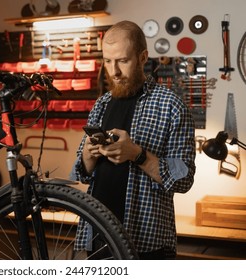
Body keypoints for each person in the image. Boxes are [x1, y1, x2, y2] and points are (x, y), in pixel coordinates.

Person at [73, 20, 196, 259]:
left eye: (122, 60)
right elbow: (81, 173)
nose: (114, 71)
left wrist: (137, 155)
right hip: (97, 236)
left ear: (142, 58)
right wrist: (87, 156)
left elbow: (184, 180)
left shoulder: (171, 106)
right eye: (107, 61)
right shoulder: (102, 104)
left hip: (146, 244)